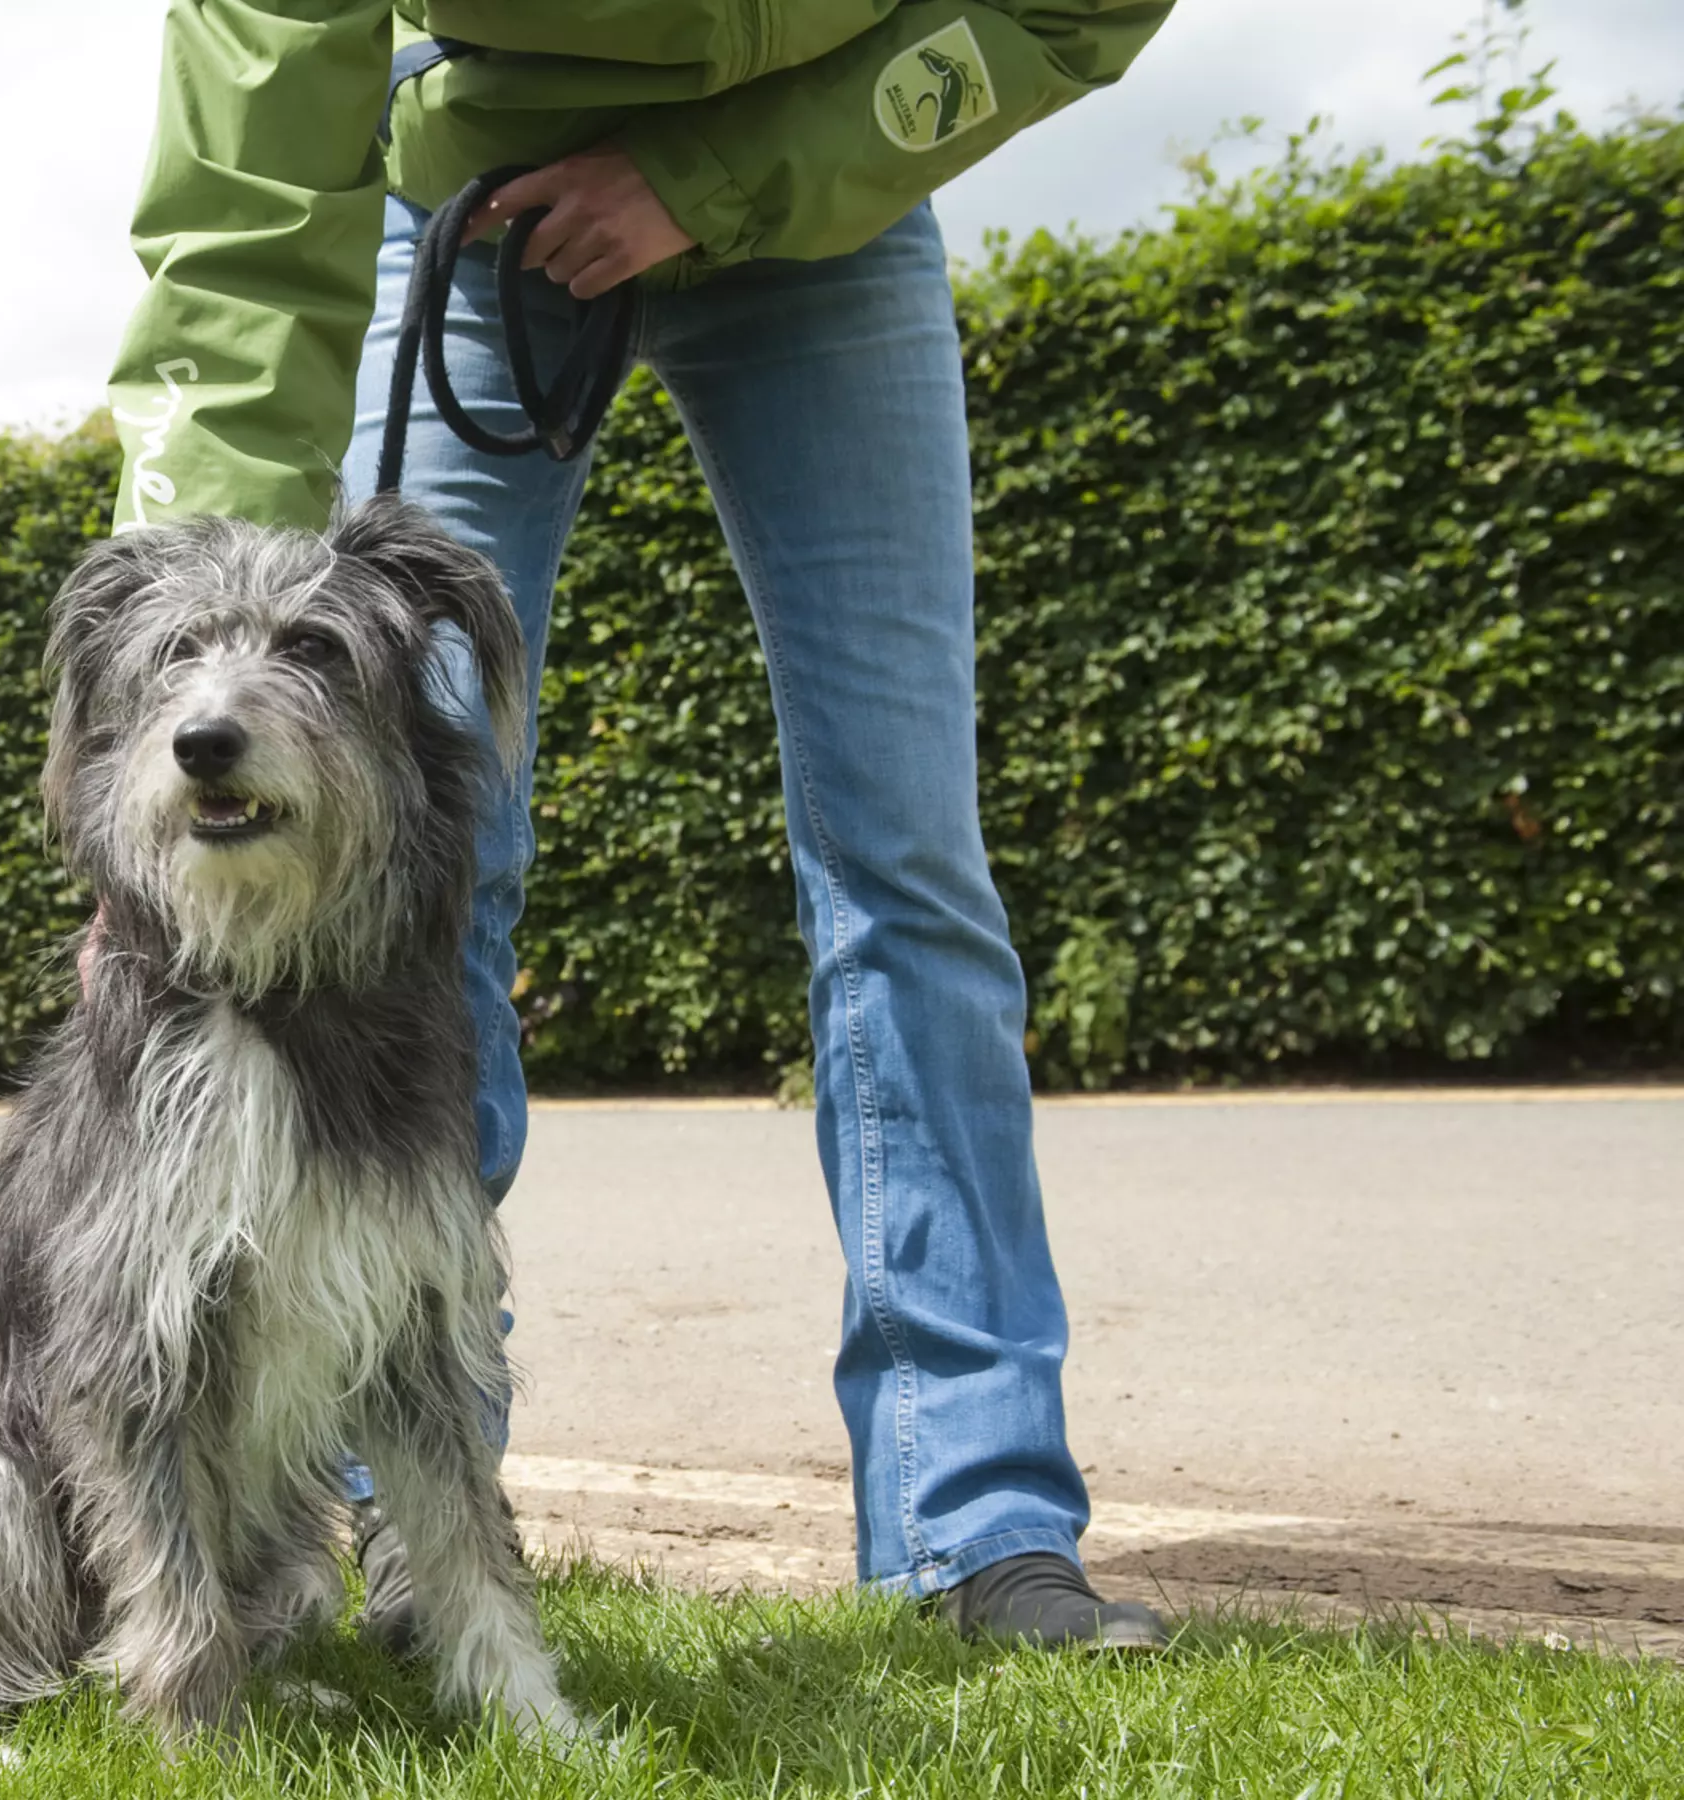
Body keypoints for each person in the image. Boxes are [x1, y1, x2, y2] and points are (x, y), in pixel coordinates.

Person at [102, 1, 1175, 1649]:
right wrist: (188, 690)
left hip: (835, 184)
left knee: (905, 862)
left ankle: (982, 1521)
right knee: (415, 872)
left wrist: (715, 177)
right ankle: (408, 1523)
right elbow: (244, 219)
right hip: (472, 206)